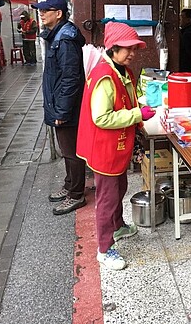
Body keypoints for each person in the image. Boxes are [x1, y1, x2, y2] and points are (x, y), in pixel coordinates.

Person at [76, 22, 156, 270]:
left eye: (135, 48)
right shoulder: (104, 76)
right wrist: (137, 115)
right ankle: (104, 248)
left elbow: (129, 99)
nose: (133, 53)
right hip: (105, 148)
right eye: (128, 48)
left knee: (119, 187)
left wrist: (141, 107)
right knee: (107, 198)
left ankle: (118, 226)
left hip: (118, 145)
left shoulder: (123, 71)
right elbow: (102, 117)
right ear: (113, 48)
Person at [33, 0, 87, 215]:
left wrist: (63, 110)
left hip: (67, 108)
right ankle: (69, 185)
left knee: (72, 152)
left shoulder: (65, 39)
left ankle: (76, 194)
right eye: (41, 10)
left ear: (59, 14)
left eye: (46, 10)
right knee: (66, 150)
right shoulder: (57, 35)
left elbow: (71, 78)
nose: (41, 13)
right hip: (60, 104)